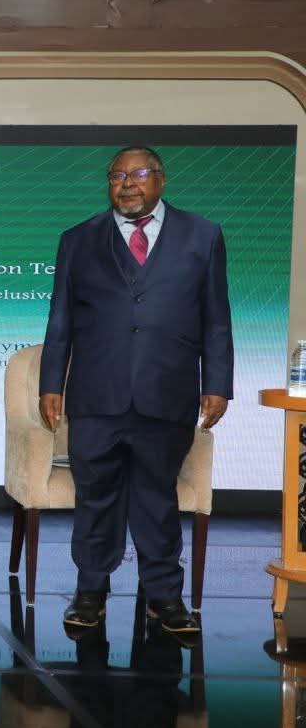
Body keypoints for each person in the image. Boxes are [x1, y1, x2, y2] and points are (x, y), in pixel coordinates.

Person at [39, 146, 232, 637]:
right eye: (117, 176)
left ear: (161, 180)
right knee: (94, 497)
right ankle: (90, 592)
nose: (127, 183)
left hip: (167, 390)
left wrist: (217, 384)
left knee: (157, 498)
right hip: (95, 393)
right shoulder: (78, 239)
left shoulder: (203, 235)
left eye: (139, 173)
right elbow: (60, 319)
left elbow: (216, 318)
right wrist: (51, 383)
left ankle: (164, 596)